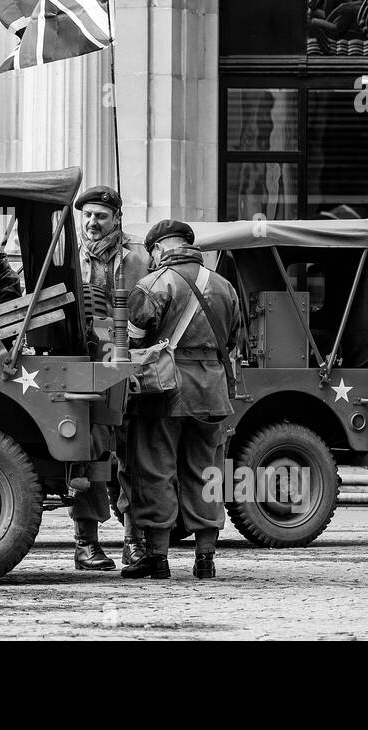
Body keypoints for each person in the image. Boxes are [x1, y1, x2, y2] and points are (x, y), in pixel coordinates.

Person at [123, 220, 241, 580]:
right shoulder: (224, 285)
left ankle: (157, 557)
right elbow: (233, 340)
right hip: (213, 389)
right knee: (205, 469)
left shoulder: (155, 283)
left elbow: (133, 341)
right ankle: (205, 557)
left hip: (166, 389)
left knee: (156, 469)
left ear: (157, 248)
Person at [69, 185, 151, 571]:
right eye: (86, 215)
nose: (92, 222)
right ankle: (86, 543)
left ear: (117, 218)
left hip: (132, 366)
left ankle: (134, 541)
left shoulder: (140, 258)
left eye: (100, 215)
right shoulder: (66, 254)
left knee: (133, 456)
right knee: (89, 457)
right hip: (86, 370)